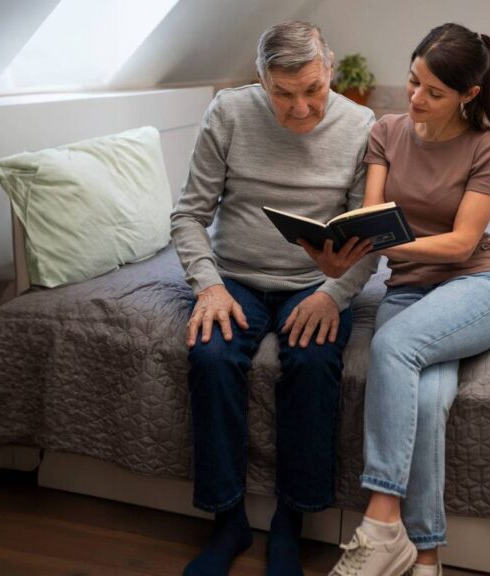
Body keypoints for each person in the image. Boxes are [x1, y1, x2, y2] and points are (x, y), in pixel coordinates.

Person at [169, 20, 377, 576]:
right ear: (260, 80)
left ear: (329, 67)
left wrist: (333, 296)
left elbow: (369, 241)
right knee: (211, 356)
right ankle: (228, 520)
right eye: (283, 95)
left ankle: (291, 519)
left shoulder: (361, 125)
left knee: (312, 362)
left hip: (314, 283)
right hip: (233, 275)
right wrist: (207, 285)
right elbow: (190, 215)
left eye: (313, 90)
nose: (302, 108)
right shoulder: (229, 113)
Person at [322, 23, 490, 576]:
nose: (416, 98)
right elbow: (371, 215)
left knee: (393, 349)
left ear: (468, 95)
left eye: (433, 92)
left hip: (474, 288)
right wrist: (342, 248)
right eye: (412, 82)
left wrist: (383, 238)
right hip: (407, 291)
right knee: (427, 404)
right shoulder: (386, 131)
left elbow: (460, 244)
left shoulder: (487, 147)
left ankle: (381, 520)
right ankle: (425, 556)